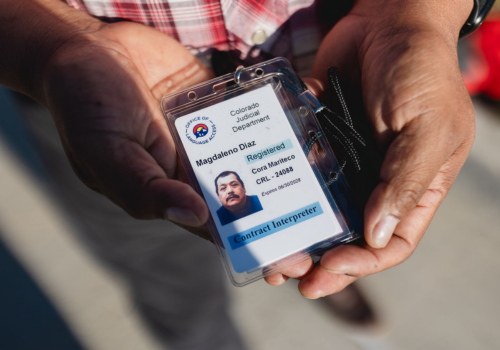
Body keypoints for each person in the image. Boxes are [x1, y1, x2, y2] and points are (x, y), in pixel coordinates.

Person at [0, 0, 476, 348]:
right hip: (110, 92)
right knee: (172, 285)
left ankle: (322, 264)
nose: (228, 187)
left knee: (337, 224)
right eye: (227, 185)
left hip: (342, 72)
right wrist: (53, 47)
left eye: (231, 184)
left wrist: (422, 14)